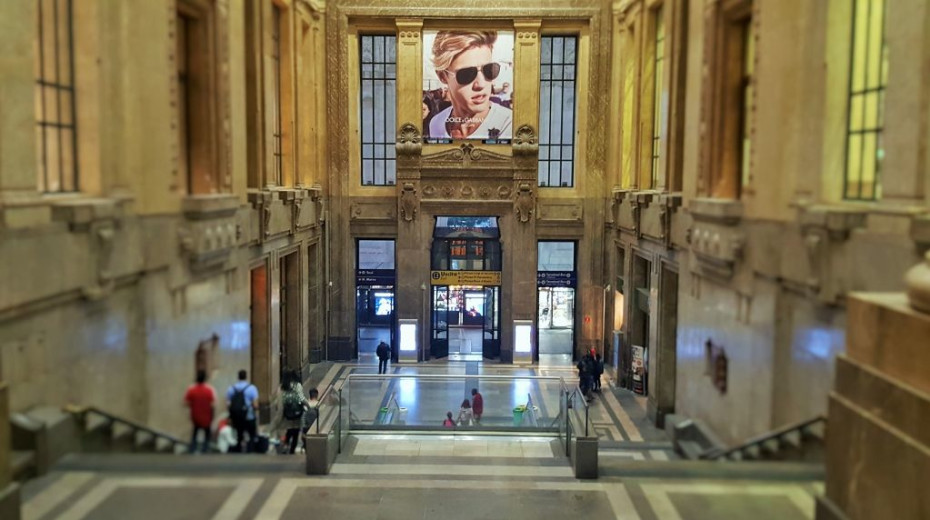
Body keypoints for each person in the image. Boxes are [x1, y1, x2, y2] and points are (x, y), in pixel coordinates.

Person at [427, 31, 513, 140]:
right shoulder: (436, 123)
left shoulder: (510, 124)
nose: (481, 84)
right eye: (467, 74)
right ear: (443, 76)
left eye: (489, 70)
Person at [227, 369, 260, 453]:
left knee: (239, 434)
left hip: (237, 416)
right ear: (246, 377)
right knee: (251, 434)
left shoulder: (232, 388)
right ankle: (250, 450)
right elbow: (255, 405)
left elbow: (228, 404)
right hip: (249, 416)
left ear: (238, 377)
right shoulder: (252, 388)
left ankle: (239, 450)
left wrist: (231, 415)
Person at [184, 370, 215, 453]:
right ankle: (205, 449)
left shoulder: (191, 389)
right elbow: (213, 404)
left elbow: (186, 403)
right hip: (207, 415)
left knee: (195, 431)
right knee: (207, 433)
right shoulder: (209, 390)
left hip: (195, 415)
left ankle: (192, 449)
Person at [280, 370, 307, 455]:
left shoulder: (284, 386)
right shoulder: (297, 385)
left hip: (287, 411)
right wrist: (308, 406)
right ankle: (292, 450)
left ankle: (285, 445)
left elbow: (282, 399)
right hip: (297, 411)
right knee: (296, 431)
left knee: (289, 429)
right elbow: (301, 398)